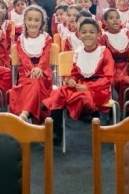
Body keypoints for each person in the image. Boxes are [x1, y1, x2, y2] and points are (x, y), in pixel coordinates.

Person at [42, 17, 114, 145]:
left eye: (92, 32)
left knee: (83, 96)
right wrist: (71, 80)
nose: (88, 35)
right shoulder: (78, 53)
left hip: (98, 88)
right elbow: (74, 73)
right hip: (80, 84)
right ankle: (57, 132)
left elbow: (108, 78)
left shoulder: (104, 52)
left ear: (98, 34)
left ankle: (96, 126)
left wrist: (89, 87)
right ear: (79, 35)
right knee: (59, 92)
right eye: (84, 32)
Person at [8, 5, 53, 123]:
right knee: (34, 82)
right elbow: (23, 58)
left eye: (37, 20)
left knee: (37, 81)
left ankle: (24, 114)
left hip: (43, 72)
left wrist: (39, 68)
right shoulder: (20, 40)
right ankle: (30, 116)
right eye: (30, 19)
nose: (33, 23)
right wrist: (32, 69)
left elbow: (45, 56)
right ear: (25, 21)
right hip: (26, 73)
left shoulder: (47, 38)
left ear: (42, 22)